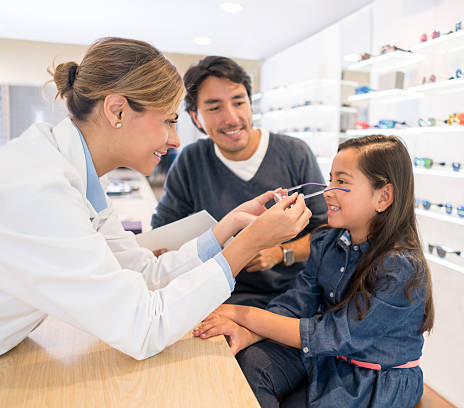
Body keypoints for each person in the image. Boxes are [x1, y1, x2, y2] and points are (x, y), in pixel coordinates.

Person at [0, 37, 311, 360]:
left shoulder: (79, 178)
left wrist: (228, 228)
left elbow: (145, 275)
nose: (176, 140)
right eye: (168, 121)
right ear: (117, 109)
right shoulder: (42, 191)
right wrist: (247, 244)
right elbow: (142, 327)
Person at [193, 135, 435, 408]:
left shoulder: (400, 267)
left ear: (384, 196)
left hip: (372, 384)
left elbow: (333, 335)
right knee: (252, 363)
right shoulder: (327, 242)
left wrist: (241, 313)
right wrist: (249, 333)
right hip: (329, 360)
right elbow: (296, 304)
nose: (327, 191)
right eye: (330, 179)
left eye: (341, 182)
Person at [151, 56, 328, 308]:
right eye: (214, 107)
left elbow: (327, 233)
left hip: (290, 296)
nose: (232, 118)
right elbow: (165, 230)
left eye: (239, 102)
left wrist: (279, 254)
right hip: (215, 295)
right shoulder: (192, 160)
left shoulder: (294, 153)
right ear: (196, 117)